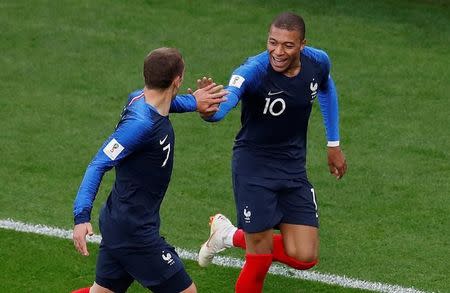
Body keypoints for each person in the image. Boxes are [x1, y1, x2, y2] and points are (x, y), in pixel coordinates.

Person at [197, 12, 347, 292]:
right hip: (253, 169)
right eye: (272, 43)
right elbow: (227, 102)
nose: (278, 52)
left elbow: (326, 86)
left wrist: (333, 143)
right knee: (260, 258)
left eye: (288, 46)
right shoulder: (253, 71)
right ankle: (240, 238)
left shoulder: (318, 61)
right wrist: (211, 111)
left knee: (305, 256)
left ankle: (227, 234)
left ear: (302, 45)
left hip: (292, 168)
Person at [71, 47, 227, 293]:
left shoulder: (140, 98)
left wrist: (195, 102)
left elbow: (167, 103)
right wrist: (81, 217)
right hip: (134, 232)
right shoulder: (140, 125)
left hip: (120, 220)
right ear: (178, 80)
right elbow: (98, 163)